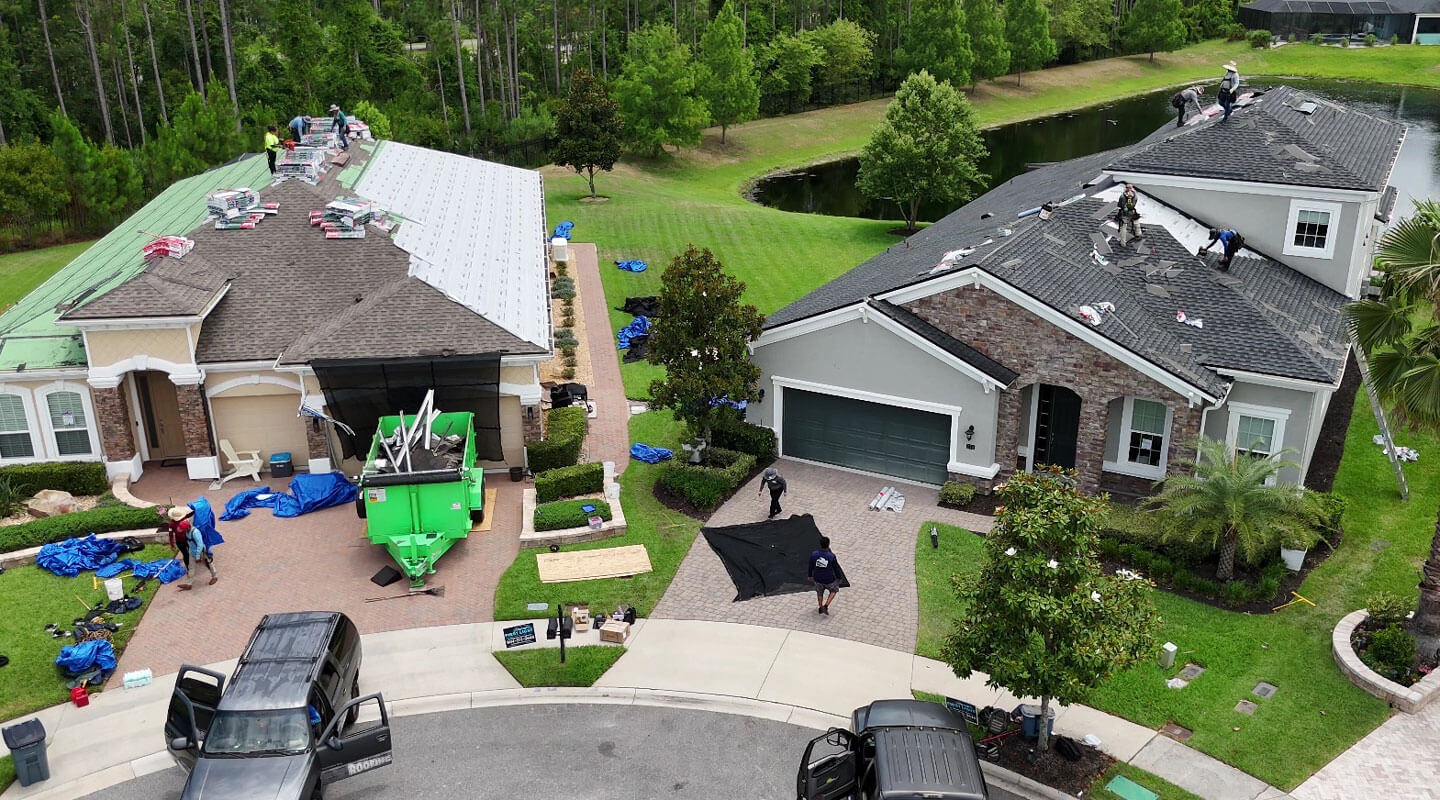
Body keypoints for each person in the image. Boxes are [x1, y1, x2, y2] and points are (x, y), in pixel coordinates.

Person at [179, 512, 218, 590]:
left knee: (209, 564)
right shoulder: (187, 531)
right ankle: (189, 584)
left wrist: (197, 556)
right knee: (191, 568)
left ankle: (214, 576)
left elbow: (200, 545)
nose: (182, 531)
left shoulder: (195, 532)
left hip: (201, 552)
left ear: (187, 528)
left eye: (183, 529)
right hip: (192, 552)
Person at [808, 536, 841, 615]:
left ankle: (820, 606)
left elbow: (810, 566)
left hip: (817, 578)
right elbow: (836, 568)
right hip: (829, 579)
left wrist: (810, 575)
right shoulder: (831, 556)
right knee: (834, 590)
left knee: (819, 593)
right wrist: (839, 578)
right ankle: (826, 605)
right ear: (828, 544)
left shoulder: (814, 554)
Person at [164, 505, 193, 573]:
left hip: (180, 541)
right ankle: (190, 566)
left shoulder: (171, 524)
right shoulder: (183, 518)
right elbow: (190, 514)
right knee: (188, 552)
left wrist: (172, 544)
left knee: (186, 554)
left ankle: (189, 567)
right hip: (186, 539)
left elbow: (170, 535)